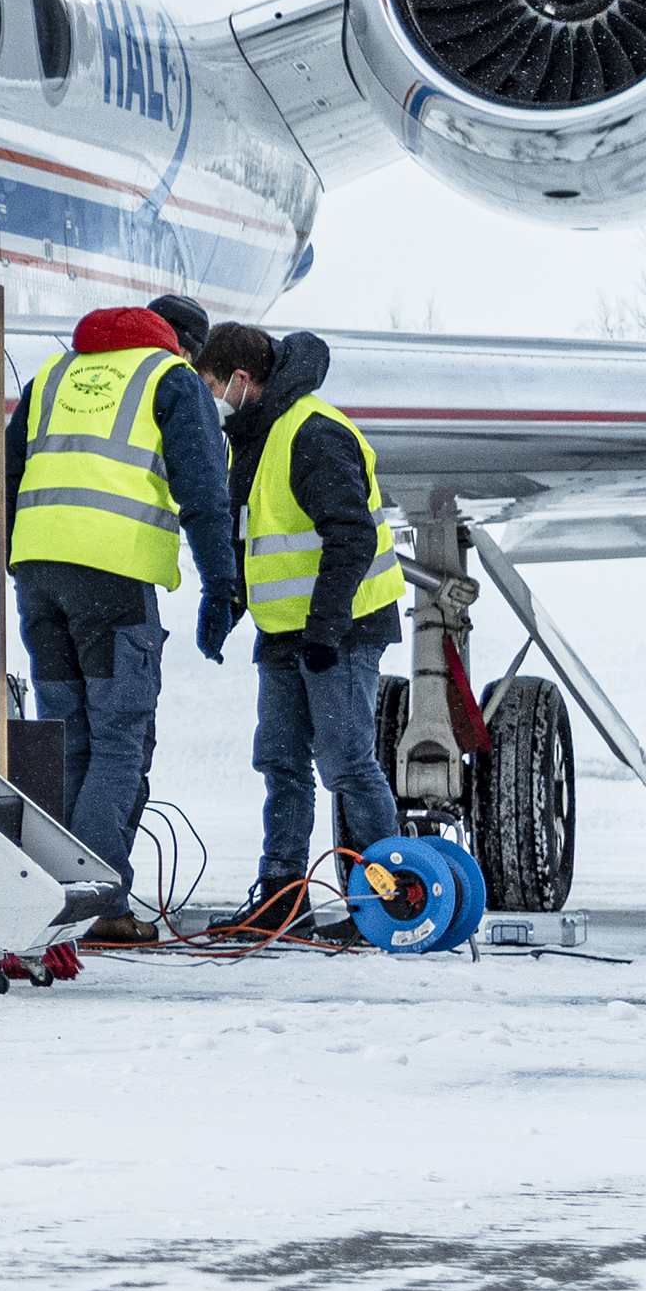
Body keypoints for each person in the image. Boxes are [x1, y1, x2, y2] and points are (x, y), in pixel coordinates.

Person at [0, 298, 246, 933]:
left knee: (69, 739)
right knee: (119, 741)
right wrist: (221, 587)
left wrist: (34, 550)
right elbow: (205, 495)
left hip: (37, 579)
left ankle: (55, 894)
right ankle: (94, 902)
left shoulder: (52, 375)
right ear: (182, 344)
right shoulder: (170, 381)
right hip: (113, 582)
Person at [200, 322, 400, 938]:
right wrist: (227, 603)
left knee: (345, 763)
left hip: (339, 628)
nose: (208, 401)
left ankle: (395, 894)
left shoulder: (312, 432)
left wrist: (324, 626)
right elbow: (253, 537)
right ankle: (281, 900)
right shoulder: (253, 437)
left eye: (211, 387)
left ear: (240, 380)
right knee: (281, 761)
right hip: (287, 630)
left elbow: (352, 536)